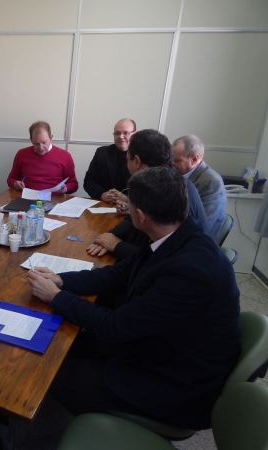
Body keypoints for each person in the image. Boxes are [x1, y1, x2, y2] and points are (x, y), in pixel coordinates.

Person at [27, 167, 240, 430]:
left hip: (179, 383)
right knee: (68, 345)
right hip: (160, 344)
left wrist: (56, 296)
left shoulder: (189, 271)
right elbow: (117, 274)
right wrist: (61, 280)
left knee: (55, 374)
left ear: (139, 216)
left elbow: (116, 326)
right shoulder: (177, 234)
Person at [86, 129, 208, 260]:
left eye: (127, 159)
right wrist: (112, 235)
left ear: (137, 161)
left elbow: (164, 258)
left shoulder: (171, 191)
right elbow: (132, 220)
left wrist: (117, 246)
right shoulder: (163, 179)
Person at [172, 134, 226, 242]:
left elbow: (202, 225)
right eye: (171, 159)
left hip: (196, 242)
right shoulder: (177, 174)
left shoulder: (211, 182)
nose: (172, 164)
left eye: (177, 161)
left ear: (194, 159)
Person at [7, 121, 78, 193]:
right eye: (36, 144)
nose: (41, 148)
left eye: (44, 142)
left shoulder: (65, 156)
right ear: (31, 140)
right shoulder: (21, 154)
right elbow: (10, 179)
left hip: (54, 196)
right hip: (27, 195)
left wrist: (65, 188)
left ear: (51, 138)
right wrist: (15, 183)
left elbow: (74, 184)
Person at [83, 118, 136, 202]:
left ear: (135, 134)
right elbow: (89, 181)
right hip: (105, 204)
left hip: (132, 206)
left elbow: (148, 191)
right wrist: (101, 194)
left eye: (126, 133)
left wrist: (127, 200)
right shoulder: (102, 153)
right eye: (117, 133)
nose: (121, 136)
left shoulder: (142, 155)